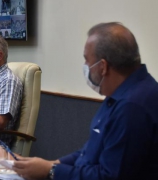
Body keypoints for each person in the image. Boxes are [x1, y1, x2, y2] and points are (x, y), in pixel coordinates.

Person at [13, 22, 158, 180]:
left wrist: (51, 171)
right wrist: (52, 164)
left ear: (103, 67)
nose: (85, 66)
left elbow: (109, 176)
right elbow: (89, 152)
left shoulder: (132, 107)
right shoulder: (121, 93)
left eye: (87, 60)